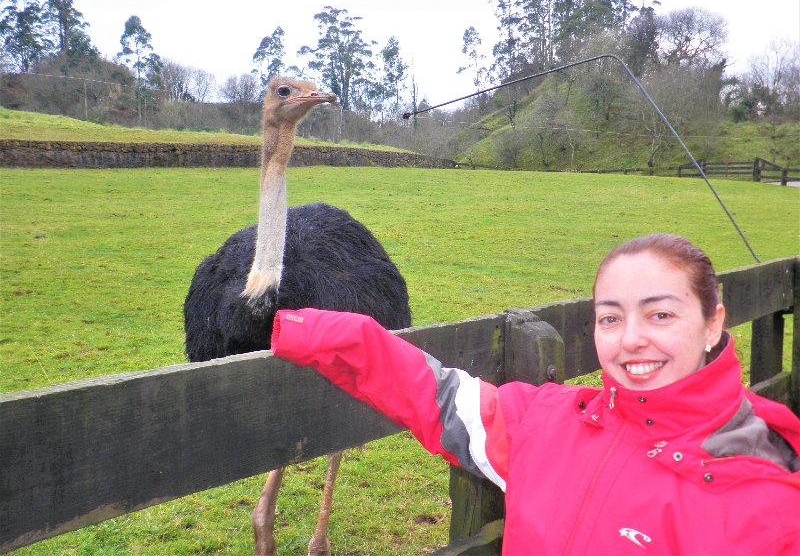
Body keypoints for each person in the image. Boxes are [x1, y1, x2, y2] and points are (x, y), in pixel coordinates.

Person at [270, 233, 800, 554]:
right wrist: (316, 332)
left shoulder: (770, 502)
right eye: (610, 318)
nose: (632, 339)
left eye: (660, 314)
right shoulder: (547, 426)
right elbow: (434, 394)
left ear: (713, 324)